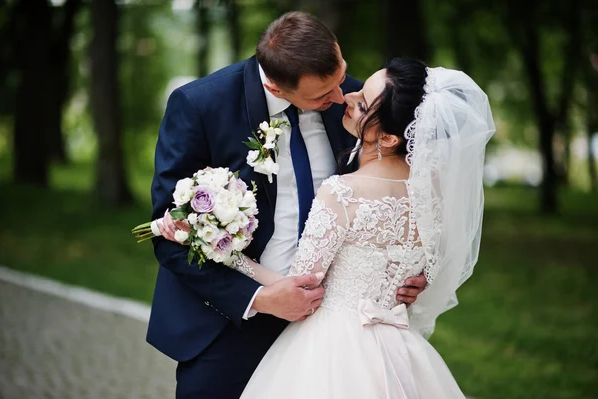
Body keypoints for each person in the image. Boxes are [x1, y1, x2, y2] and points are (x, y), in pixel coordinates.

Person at [163, 58, 495, 398]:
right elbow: (430, 252)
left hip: (328, 345)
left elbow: (301, 283)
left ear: (391, 137)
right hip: (395, 347)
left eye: (361, 101)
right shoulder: (432, 189)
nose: (346, 98)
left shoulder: (342, 191)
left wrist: (223, 249)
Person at [149, 12, 427, 399]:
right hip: (228, 327)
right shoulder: (200, 106)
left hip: (331, 338)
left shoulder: (359, 106)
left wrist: (401, 269)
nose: (341, 96)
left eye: (342, 75)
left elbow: (390, 194)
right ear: (278, 90)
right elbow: (169, 234)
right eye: (322, 95)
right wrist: (258, 299)